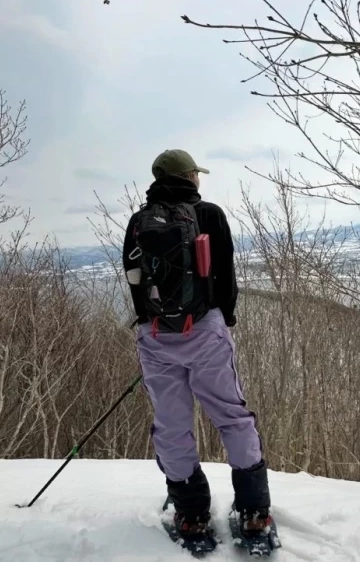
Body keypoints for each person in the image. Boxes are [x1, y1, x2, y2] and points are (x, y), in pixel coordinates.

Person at [122, 149, 271, 538]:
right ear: (189, 177)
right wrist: (224, 321)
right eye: (195, 173)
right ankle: (255, 511)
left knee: (172, 424)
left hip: (156, 337)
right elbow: (227, 279)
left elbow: (134, 280)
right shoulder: (209, 215)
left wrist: (153, 326)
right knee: (231, 415)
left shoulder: (140, 222)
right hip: (205, 331)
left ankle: (192, 515)